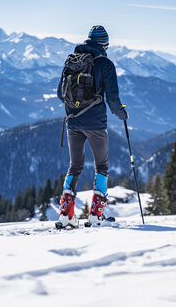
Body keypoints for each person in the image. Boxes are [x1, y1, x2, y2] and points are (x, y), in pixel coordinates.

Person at [56, 25, 129, 227]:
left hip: (72, 122)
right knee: (102, 166)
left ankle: (66, 214)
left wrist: (76, 107)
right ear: (104, 44)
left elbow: (60, 94)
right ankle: (97, 214)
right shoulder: (105, 64)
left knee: (75, 166)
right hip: (96, 124)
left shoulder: (71, 61)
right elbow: (113, 99)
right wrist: (122, 114)